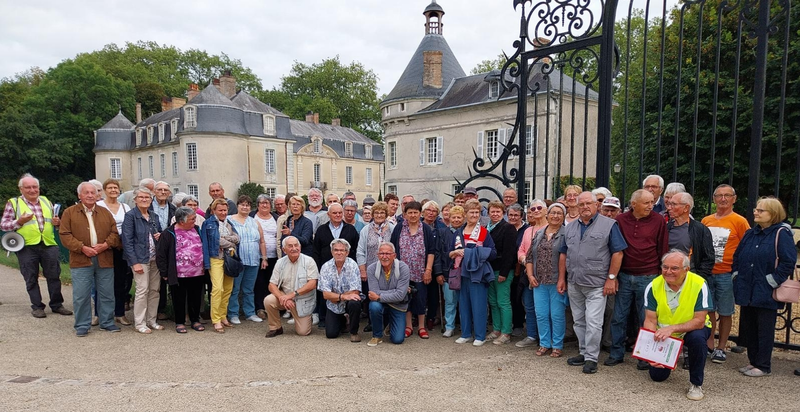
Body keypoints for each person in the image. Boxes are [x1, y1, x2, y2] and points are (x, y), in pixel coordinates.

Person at [559, 192, 627, 373]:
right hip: (574, 281)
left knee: (594, 322)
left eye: (588, 203)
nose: (585, 207)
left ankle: (591, 358)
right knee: (579, 321)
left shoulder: (609, 225)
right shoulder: (570, 227)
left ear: (597, 205)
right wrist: (561, 278)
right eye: (581, 204)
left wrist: (611, 279)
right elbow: (563, 253)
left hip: (597, 283)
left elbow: (618, 253)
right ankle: (583, 351)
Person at [732, 197, 796, 377]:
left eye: (761, 210)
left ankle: (763, 365)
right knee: (750, 327)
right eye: (756, 209)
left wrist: (772, 281)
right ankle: (753, 362)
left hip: (765, 290)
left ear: (773, 214)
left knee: (764, 329)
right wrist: (736, 274)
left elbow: (788, 261)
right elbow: (738, 256)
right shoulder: (751, 233)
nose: (756, 212)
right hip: (747, 287)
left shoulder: (781, 233)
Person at [606, 189, 668, 370]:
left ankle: (644, 356)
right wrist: (614, 276)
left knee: (646, 318)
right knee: (618, 317)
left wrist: (660, 276)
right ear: (634, 204)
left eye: (652, 202)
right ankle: (616, 353)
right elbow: (614, 249)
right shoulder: (621, 220)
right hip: (624, 276)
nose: (651, 205)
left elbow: (663, 248)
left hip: (648, 276)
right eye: (646, 202)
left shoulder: (658, 221)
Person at [644, 250, 713, 401]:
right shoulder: (653, 285)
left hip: (692, 329)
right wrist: (650, 354)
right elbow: (650, 320)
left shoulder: (699, 284)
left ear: (686, 269)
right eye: (665, 267)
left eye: (674, 268)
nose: (668, 272)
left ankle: (696, 383)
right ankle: (671, 357)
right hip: (665, 333)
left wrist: (672, 328)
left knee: (697, 339)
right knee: (657, 377)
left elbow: (700, 320)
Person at [1, 174, 72, 318]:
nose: (32, 190)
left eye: (35, 187)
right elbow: (4, 225)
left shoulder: (46, 201)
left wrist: (57, 222)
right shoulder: (13, 203)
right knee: (31, 276)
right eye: (28, 187)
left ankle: (57, 304)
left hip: (48, 243)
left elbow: (54, 222)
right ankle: (37, 306)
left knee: (54, 275)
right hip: (26, 245)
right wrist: (19, 221)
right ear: (21, 189)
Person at [59, 182, 121, 336]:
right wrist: (82, 248)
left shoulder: (105, 213)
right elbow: (65, 235)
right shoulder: (69, 212)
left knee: (107, 293)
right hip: (81, 260)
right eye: (86, 192)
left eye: (93, 192)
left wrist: (105, 245)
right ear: (79, 195)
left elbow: (115, 233)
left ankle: (107, 322)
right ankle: (82, 324)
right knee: (81, 295)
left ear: (97, 195)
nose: (90, 195)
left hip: (104, 258)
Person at [701, 184, 750, 363]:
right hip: (708, 272)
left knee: (726, 311)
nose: (723, 199)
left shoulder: (739, 221)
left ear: (734, 199)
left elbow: (746, 246)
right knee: (709, 311)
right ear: (714, 199)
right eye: (719, 196)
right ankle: (709, 344)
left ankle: (722, 347)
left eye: (727, 195)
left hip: (726, 273)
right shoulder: (706, 220)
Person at [451, 199, 497, 346]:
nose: (474, 215)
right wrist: (454, 253)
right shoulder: (458, 232)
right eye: (472, 212)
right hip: (460, 273)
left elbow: (493, 253)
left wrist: (471, 253)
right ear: (465, 214)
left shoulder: (483, 232)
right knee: (463, 304)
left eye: (477, 212)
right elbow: (449, 252)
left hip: (477, 273)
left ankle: (480, 335)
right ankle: (465, 333)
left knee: (479, 305)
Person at [526, 203, 568, 357]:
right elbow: (530, 257)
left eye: (559, 213)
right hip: (539, 281)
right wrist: (530, 276)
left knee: (556, 315)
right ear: (547, 215)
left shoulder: (567, 233)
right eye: (553, 213)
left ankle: (557, 345)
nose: (555, 216)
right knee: (541, 314)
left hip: (557, 281)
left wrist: (563, 280)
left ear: (563, 217)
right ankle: (544, 343)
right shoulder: (539, 233)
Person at [390, 200, 435, 339]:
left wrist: (428, 270)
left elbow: (431, 251)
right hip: (403, 272)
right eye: (410, 213)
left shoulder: (426, 229)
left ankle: (421, 327)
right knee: (406, 299)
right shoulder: (399, 228)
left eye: (416, 212)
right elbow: (393, 249)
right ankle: (408, 326)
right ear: (405, 214)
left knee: (421, 298)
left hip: (420, 271)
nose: (413, 215)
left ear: (420, 213)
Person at [156, 206, 206, 333]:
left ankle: (195, 320)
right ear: (181, 221)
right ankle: (180, 322)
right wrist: (164, 272)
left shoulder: (196, 229)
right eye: (192, 219)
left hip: (197, 272)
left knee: (195, 297)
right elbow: (161, 254)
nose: (195, 220)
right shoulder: (169, 233)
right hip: (178, 273)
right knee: (178, 298)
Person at [122, 187, 163, 334]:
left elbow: (159, 233)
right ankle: (140, 323)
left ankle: (151, 320)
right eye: (141, 197)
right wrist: (134, 262)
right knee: (142, 290)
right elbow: (127, 241)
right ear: (135, 200)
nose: (144, 199)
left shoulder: (154, 216)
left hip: (154, 258)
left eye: (147, 197)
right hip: (140, 259)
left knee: (154, 290)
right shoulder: (130, 216)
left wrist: (160, 236)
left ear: (151, 200)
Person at [313, 203, 360, 328]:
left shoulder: (350, 229)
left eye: (340, 212)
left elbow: (355, 248)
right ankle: (324, 318)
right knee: (326, 293)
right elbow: (316, 250)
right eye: (334, 213)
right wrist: (318, 268)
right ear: (329, 214)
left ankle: (347, 317)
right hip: (326, 268)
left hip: (346, 269)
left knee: (349, 295)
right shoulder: (321, 230)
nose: (338, 215)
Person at [264, 236, 319, 337]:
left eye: (296, 245)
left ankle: (307, 317)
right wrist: (282, 297)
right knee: (269, 300)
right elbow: (272, 285)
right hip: (285, 298)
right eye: (290, 246)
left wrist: (291, 295)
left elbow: (312, 284)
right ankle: (276, 328)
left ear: (300, 247)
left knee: (303, 332)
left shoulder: (309, 261)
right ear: (284, 250)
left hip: (302, 300)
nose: (294, 248)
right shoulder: (280, 262)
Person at [201, 198, 240, 333]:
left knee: (228, 288)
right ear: (214, 210)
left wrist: (227, 240)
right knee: (217, 289)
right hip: (215, 258)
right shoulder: (208, 223)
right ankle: (216, 319)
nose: (223, 213)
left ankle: (223, 316)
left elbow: (237, 238)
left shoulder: (229, 223)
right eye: (220, 210)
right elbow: (214, 241)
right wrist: (229, 241)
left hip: (229, 258)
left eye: (225, 210)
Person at [96, 179, 132, 325]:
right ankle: (99, 314)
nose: (113, 190)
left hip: (120, 247)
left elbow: (129, 226)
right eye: (110, 188)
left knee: (120, 282)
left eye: (115, 188)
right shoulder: (99, 206)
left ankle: (119, 313)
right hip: (103, 247)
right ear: (104, 190)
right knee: (102, 282)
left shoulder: (125, 207)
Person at [226, 196, 267, 324]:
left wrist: (264, 258)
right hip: (237, 261)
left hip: (253, 260)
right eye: (242, 205)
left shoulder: (255, 222)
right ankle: (233, 314)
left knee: (249, 289)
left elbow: (261, 241)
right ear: (237, 206)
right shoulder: (229, 220)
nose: (245, 207)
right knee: (235, 288)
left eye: (248, 205)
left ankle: (250, 313)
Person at [357, 201, 395, 333]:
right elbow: (360, 251)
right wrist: (363, 270)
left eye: (382, 212)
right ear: (372, 214)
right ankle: (372, 322)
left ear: (386, 214)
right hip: (371, 268)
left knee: (387, 294)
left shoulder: (392, 227)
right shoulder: (365, 230)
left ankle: (388, 322)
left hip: (389, 268)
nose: (379, 215)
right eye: (377, 212)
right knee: (370, 295)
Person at [515, 199, 548, 346]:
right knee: (529, 304)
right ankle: (532, 335)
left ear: (546, 210)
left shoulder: (552, 228)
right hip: (527, 272)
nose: (536, 211)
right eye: (533, 209)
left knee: (545, 308)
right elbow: (521, 249)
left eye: (539, 208)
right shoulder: (528, 230)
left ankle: (546, 337)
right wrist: (523, 259)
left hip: (546, 273)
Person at [366, 242, 412, 346]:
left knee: (397, 340)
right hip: (380, 303)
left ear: (394, 255)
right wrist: (397, 291)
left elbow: (400, 296)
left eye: (388, 253)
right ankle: (377, 336)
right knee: (374, 306)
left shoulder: (403, 268)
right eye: (381, 253)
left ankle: (390, 324)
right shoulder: (371, 269)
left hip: (398, 305)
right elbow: (373, 293)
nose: (384, 256)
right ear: (377, 255)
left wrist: (380, 296)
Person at [317, 239, 363, 341]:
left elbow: (355, 291)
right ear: (331, 252)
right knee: (331, 334)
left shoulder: (353, 265)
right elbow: (325, 294)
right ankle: (344, 320)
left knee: (354, 302)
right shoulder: (325, 267)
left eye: (342, 250)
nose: (339, 253)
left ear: (347, 252)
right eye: (336, 250)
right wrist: (342, 296)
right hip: (334, 305)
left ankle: (354, 332)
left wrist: (336, 296)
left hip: (347, 302)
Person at [485, 201, 517, 345]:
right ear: (488, 213)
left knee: (503, 301)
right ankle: (496, 329)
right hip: (489, 270)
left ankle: (506, 332)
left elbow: (510, 253)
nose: (495, 214)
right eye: (493, 211)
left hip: (502, 270)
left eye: (498, 211)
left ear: (503, 213)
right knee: (492, 301)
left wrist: (504, 272)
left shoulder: (508, 228)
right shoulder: (486, 228)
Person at [666, 192, 714, 278]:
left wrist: (699, 277)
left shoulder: (699, 229)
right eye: (669, 204)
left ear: (686, 208)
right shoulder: (667, 227)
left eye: (673, 204)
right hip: (668, 276)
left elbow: (708, 258)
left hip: (690, 276)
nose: (669, 208)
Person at [436, 205, 464, 337]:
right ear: (449, 218)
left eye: (459, 217)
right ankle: (449, 326)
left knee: (464, 302)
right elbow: (438, 254)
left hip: (464, 273)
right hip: (448, 273)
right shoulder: (442, 233)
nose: (456, 219)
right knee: (449, 301)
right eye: (454, 217)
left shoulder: (467, 233)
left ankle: (465, 326)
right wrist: (439, 273)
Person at [151, 181, 176, 321]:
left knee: (166, 276)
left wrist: (165, 235)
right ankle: (153, 310)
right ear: (154, 191)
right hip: (151, 246)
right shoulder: (146, 206)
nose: (163, 192)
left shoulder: (173, 208)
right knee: (153, 281)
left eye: (166, 190)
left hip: (168, 247)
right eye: (159, 189)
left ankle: (164, 309)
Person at [253, 195, 279, 319]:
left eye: (267, 203)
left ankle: (271, 307)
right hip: (257, 256)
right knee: (259, 282)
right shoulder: (252, 217)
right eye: (262, 203)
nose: (264, 205)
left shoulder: (276, 218)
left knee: (272, 282)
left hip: (274, 256)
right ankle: (259, 308)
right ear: (258, 205)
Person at [421, 200, 444, 330]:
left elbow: (439, 250)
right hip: (418, 265)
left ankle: (431, 318)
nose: (431, 213)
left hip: (435, 265)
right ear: (423, 212)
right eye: (428, 210)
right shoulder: (417, 226)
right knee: (419, 294)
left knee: (433, 295)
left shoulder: (440, 228)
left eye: (434, 211)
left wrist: (437, 270)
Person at [507, 203, 528, 337]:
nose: (513, 217)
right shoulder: (506, 228)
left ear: (521, 216)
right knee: (508, 298)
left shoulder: (526, 229)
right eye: (510, 215)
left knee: (518, 297)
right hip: (508, 268)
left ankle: (519, 325)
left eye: (516, 215)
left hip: (521, 269)